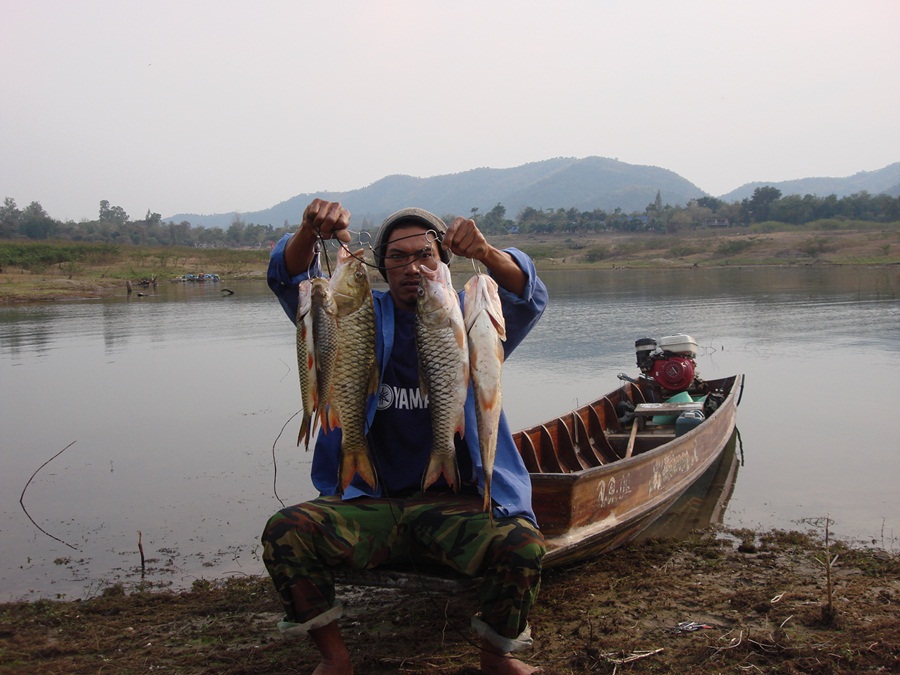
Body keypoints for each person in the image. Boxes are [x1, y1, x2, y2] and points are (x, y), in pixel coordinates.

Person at [262, 199, 549, 675]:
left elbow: (528, 295)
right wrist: (309, 234)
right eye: (397, 256)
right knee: (286, 531)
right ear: (380, 265)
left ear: (444, 264)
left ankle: (496, 657)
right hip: (371, 505)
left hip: (455, 507)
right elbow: (288, 278)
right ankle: (335, 659)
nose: (412, 266)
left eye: (426, 255)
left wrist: (487, 251)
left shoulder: (473, 315)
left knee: (521, 544)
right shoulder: (351, 314)